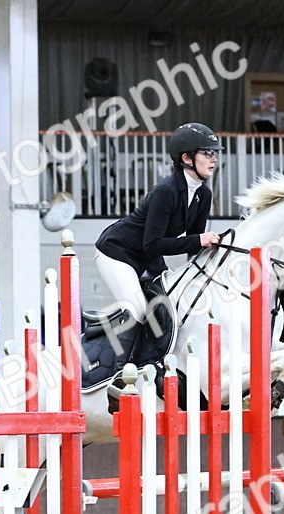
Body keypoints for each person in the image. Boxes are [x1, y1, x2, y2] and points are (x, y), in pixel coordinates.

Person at [95, 122, 221, 369]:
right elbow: (153, 244)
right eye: (207, 153)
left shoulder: (203, 194)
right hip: (117, 252)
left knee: (171, 305)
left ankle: (154, 363)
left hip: (146, 258)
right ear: (186, 158)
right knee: (139, 310)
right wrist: (198, 240)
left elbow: (193, 247)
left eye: (215, 153)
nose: (213, 158)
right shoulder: (167, 191)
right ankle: (120, 374)